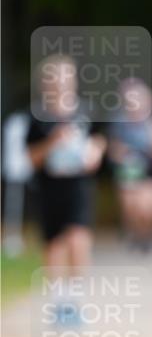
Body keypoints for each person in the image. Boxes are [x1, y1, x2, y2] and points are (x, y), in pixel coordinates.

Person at [26, 55, 106, 321]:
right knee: (54, 244)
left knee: (78, 238)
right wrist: (52, 143)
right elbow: (31, 158)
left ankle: (77, 299)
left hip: (79, 186)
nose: (59, 83)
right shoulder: (38, 116)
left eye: (64, 77)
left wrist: (95, 152)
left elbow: (100, 139)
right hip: (49, 188)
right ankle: (59, 302)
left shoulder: (87, 111)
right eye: (54, 78)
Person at [107, 78, 152, 251]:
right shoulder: (118, 122)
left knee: (150, 208)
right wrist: (121, 154)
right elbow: (113, 148)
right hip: (129, 171)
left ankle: (151, 234)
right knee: (132, 208)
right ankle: (137, 235)